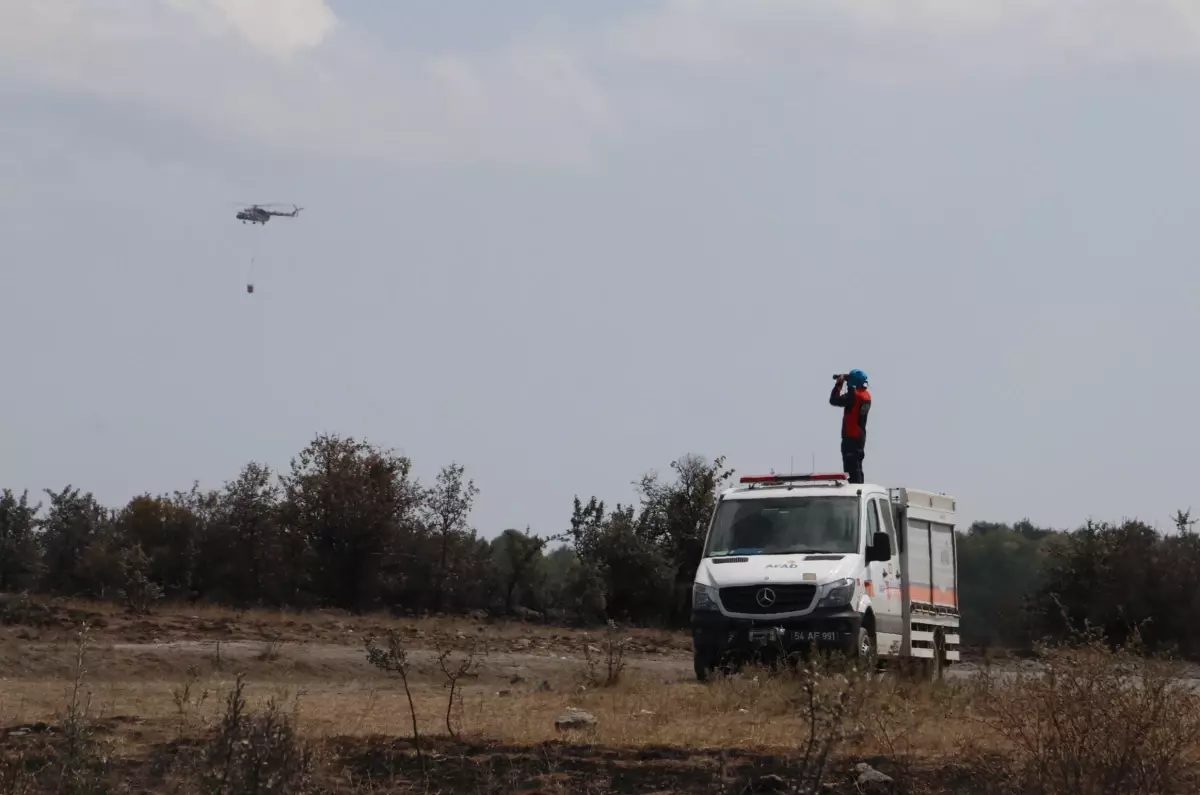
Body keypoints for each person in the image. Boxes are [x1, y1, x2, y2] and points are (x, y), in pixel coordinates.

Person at [829, 369, 871, 484]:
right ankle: (860, 486)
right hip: (860, 435)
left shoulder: (855, 396)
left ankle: (855, 489)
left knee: (851, 466)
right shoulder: (866, 395)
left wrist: (839, 384)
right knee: (857, 466)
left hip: (851, 435)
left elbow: (834, 400)